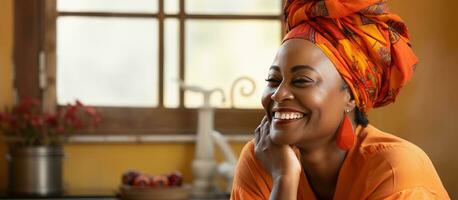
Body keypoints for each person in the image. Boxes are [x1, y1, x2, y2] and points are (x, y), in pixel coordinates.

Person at [230, 0, 450, 199]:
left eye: (301, 80)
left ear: (350, 97)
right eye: (273, 79)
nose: (278, 93)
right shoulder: (263, 158)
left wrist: (283, 181)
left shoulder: (396, 172)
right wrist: (283, 177)